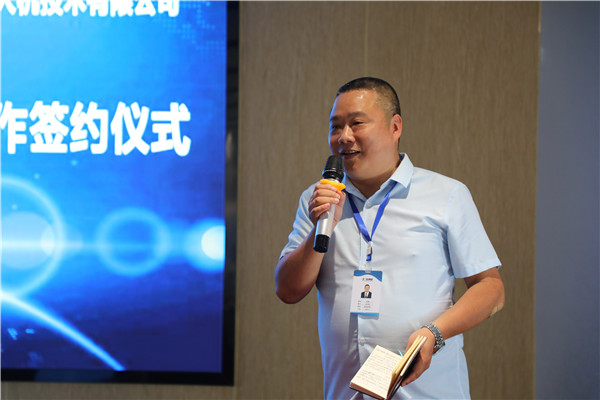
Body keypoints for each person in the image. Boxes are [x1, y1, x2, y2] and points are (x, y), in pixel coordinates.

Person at [275, 77, 505, 399]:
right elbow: (287, 290)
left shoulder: (446, 195)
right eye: (335, 127)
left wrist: (434, 333)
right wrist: (320, 227)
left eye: (356, 123)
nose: (344, 137)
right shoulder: (317, 200)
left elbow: (491, 288)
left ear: (395, 127)